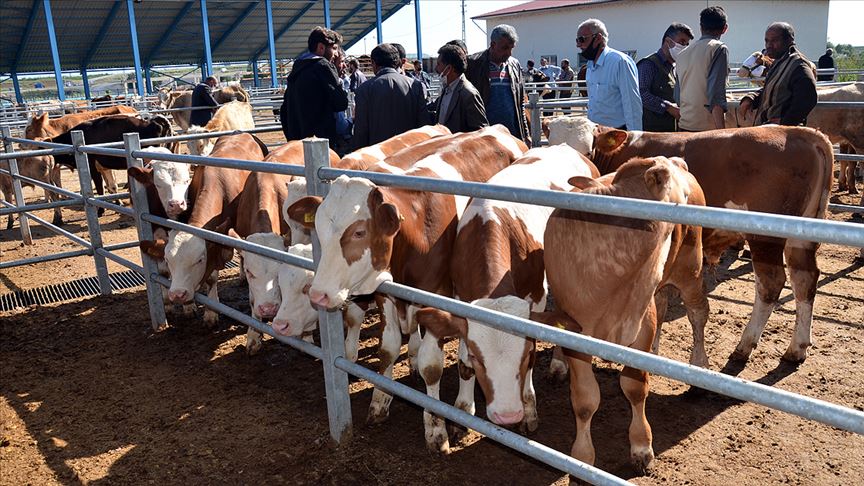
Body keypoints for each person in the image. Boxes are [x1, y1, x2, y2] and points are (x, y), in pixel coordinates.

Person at [738, 22, 817, 126]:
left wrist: (785, 122)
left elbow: (808, 98)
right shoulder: (779, 61)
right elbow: (772, 89)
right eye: (767, 41)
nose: (769, 45)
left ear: (789, 40)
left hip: (782, 135)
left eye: (775, 40)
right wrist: (752, 98)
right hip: (769, 129)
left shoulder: (798, 65)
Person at [280, 27, 348, 148]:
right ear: (321, 47)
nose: (336, 54)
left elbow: (284, 111)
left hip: (296, 144)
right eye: (334, 48)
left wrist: (291, 138)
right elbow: (341, 103)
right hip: (320, 144)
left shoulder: (296, 69)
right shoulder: (323, 66)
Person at [352, 43, 430, 149]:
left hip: (377, 156)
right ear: (397, 62)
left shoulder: (364, 89)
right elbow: (423, 124)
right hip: (409, 153)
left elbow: (361, 130)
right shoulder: (415, 86)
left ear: (373, 63)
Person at [466, 24, 530, 145]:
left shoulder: (514, 65)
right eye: (505, 48)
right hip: (484, 137)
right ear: (493, 45)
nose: (509, 53)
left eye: (512, 48)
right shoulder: (474, 64)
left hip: (512, 135)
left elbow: (520, 103)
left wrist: (525, 134)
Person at [576, 18, 642, 130]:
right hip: (596, 133)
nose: (578, 45)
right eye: (577, 40)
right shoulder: (590, 66)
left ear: (598, 38)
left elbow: (632, 105)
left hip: (618, 134)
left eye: (582, 39)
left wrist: (634, 140)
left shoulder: (620, 62)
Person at [674, 6, 729, 131]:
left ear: (701, 27)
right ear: (725, 28)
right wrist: (722, 133)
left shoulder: (682, 54)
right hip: (706, 130)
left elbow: (677, 96)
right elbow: (716, 94)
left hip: (684, 126)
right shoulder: (719, 48)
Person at [636, 22, 694, 132]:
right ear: (668, 42)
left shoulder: (675, 67)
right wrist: (667, 107)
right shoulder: (648, 64)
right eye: (681, 42)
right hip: (653, 134)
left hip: (671, 133)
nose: (684, 47)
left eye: (686, 44)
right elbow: (641, 93)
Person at [433, 43, 488, 133]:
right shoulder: (447, 88)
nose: (436, 68)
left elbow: (480, 132)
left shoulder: (469, 94)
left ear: (449, 68)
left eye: (439, 64)